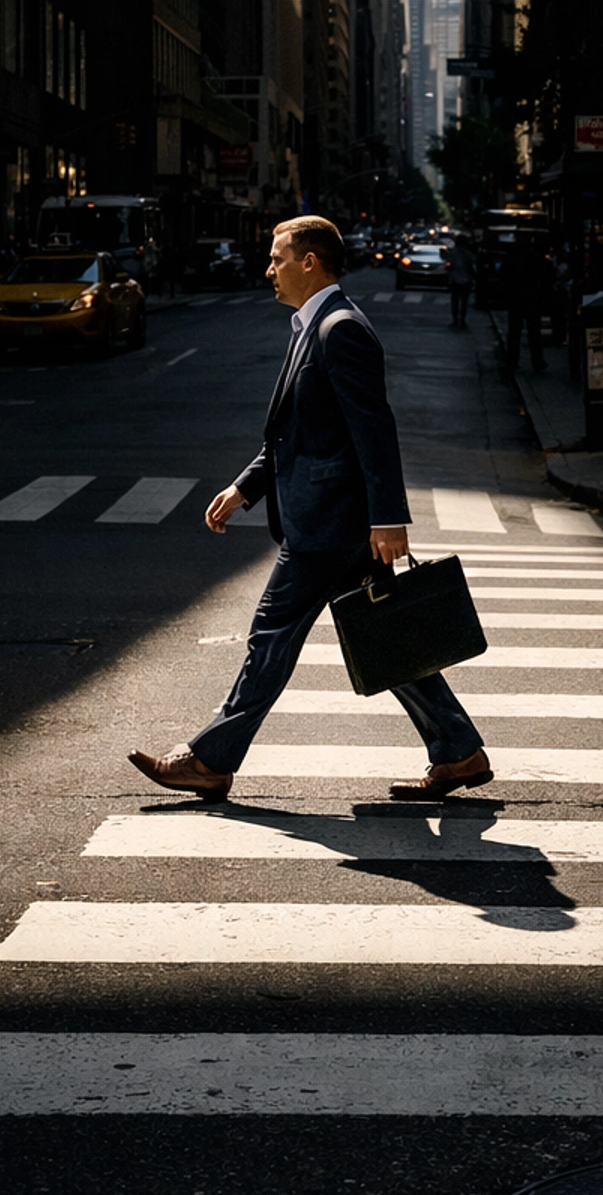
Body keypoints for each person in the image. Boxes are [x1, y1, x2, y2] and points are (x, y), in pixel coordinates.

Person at [128, 214, 491, 805]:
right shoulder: (312, 326)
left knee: (270, 635)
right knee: (385, 634)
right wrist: (245, 488)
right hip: (332, 522)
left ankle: (210, 761)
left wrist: (388, 517)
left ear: (309, 262)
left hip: (328, 524)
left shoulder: (340, 329)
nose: (268, 269)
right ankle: (458, 750)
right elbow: (297, 433)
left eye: (276, 259)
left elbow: (374, 430)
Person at [502, 239, 549, 373]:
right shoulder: (535, 259)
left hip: (516, 299)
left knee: (514, 332)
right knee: (534, 332)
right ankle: (537, 360)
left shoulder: (511, 259)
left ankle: (512, 361)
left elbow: (504, 277)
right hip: (531, 298)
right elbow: (543, 276)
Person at [446, 232, 473, 330]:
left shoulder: (454, 253)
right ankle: (461, 320)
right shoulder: (468, 254)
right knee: (463, 302)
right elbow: (471, 267)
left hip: (456, 280)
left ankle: (456, 320)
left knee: (455, 302)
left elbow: (449, 265)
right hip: (465, 280)